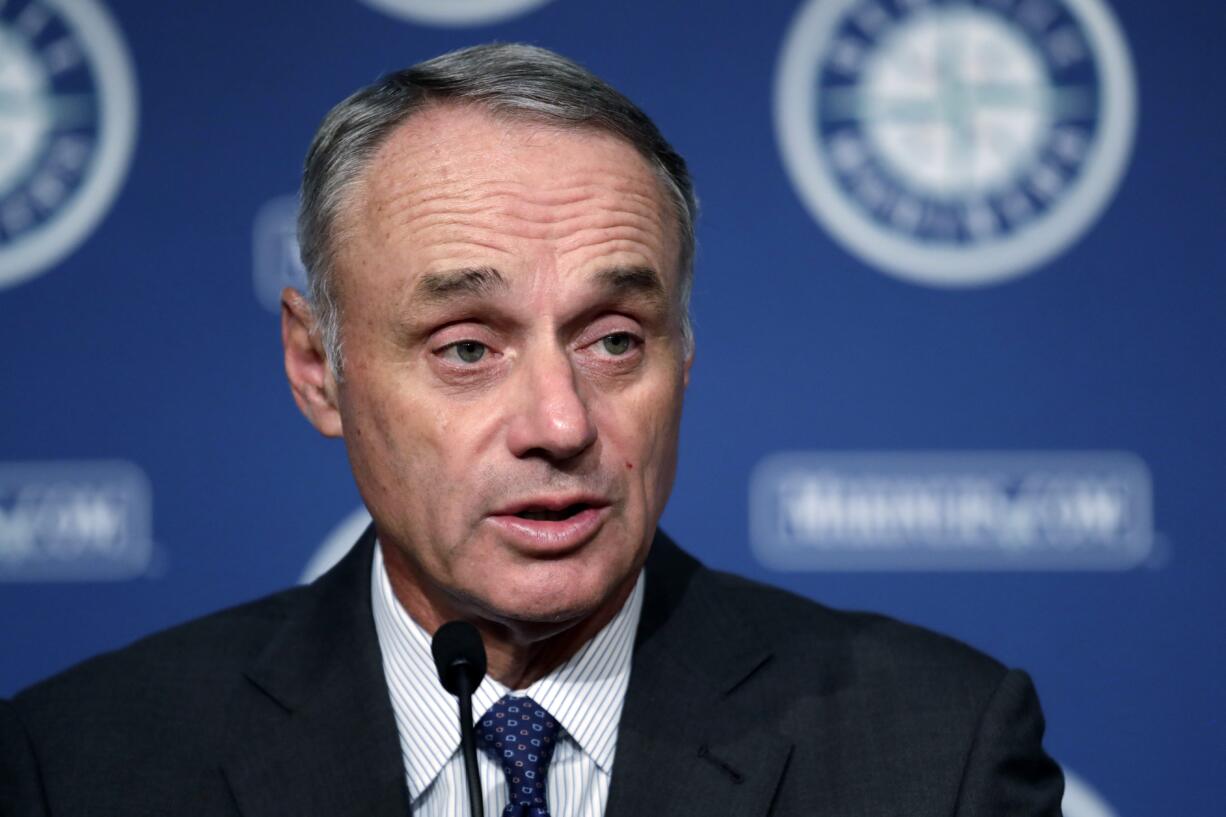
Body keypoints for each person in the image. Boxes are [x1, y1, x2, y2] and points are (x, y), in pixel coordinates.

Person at [0, 44, 1064, 816]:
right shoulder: (82, 765)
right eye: (466, 347)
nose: (559, 424)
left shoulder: (933, 754)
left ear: (682, 353)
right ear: (316, 366)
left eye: (612, 339)